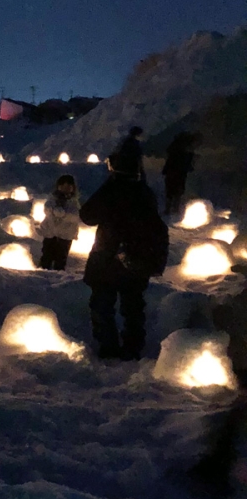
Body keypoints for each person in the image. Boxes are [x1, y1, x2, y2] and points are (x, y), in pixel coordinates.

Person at [79, 153, 169, 360]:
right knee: (134, 308)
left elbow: (88, 215)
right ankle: (133, 347)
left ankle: (109, 347)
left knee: (102, 306)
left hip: (108, 258)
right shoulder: (145, 192)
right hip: (137, 261)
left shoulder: (111, 191)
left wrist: (108, 184)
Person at [38, 175, 81, 270]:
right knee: (47, 253)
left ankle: (58, 271)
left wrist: (64, 215)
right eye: (63, 186)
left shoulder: (73, 202)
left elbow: (75, 216)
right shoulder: (53, 198)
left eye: (68, 186)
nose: (65, 189)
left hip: (66, 234)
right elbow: (47, 208)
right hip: (50, 232)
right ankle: (44, 269)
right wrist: (53, 211)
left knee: (61, 255)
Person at [162, 132, 199, 215]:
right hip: (180, 173)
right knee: (178, 191)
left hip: (171, 172)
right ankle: (175, 209)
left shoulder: (173, 148)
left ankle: (168, 209)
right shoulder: (187, 151)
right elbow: (189, 165)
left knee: (170, 191)